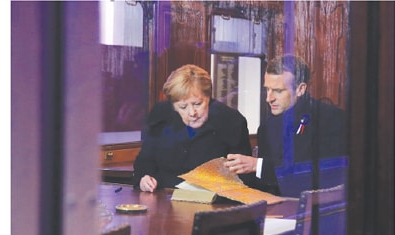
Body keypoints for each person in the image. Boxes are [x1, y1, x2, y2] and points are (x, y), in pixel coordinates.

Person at [225, 55, 346, 196]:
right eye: (267, 89)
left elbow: (319, 175)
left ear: (300, 89)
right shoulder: (266, 126)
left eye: (278, 91)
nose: (269, 98)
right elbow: (266, 185)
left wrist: (256, 165)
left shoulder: (331, 119)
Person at [133, 64, 254, 192]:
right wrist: (143, 178)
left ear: (209, 97)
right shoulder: (161, 115)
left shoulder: (231, 120)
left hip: (213, 202)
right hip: (164, 197)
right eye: (183, 107)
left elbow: (244, 176)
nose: (192, 113)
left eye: (197, 104)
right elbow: (144, 161)